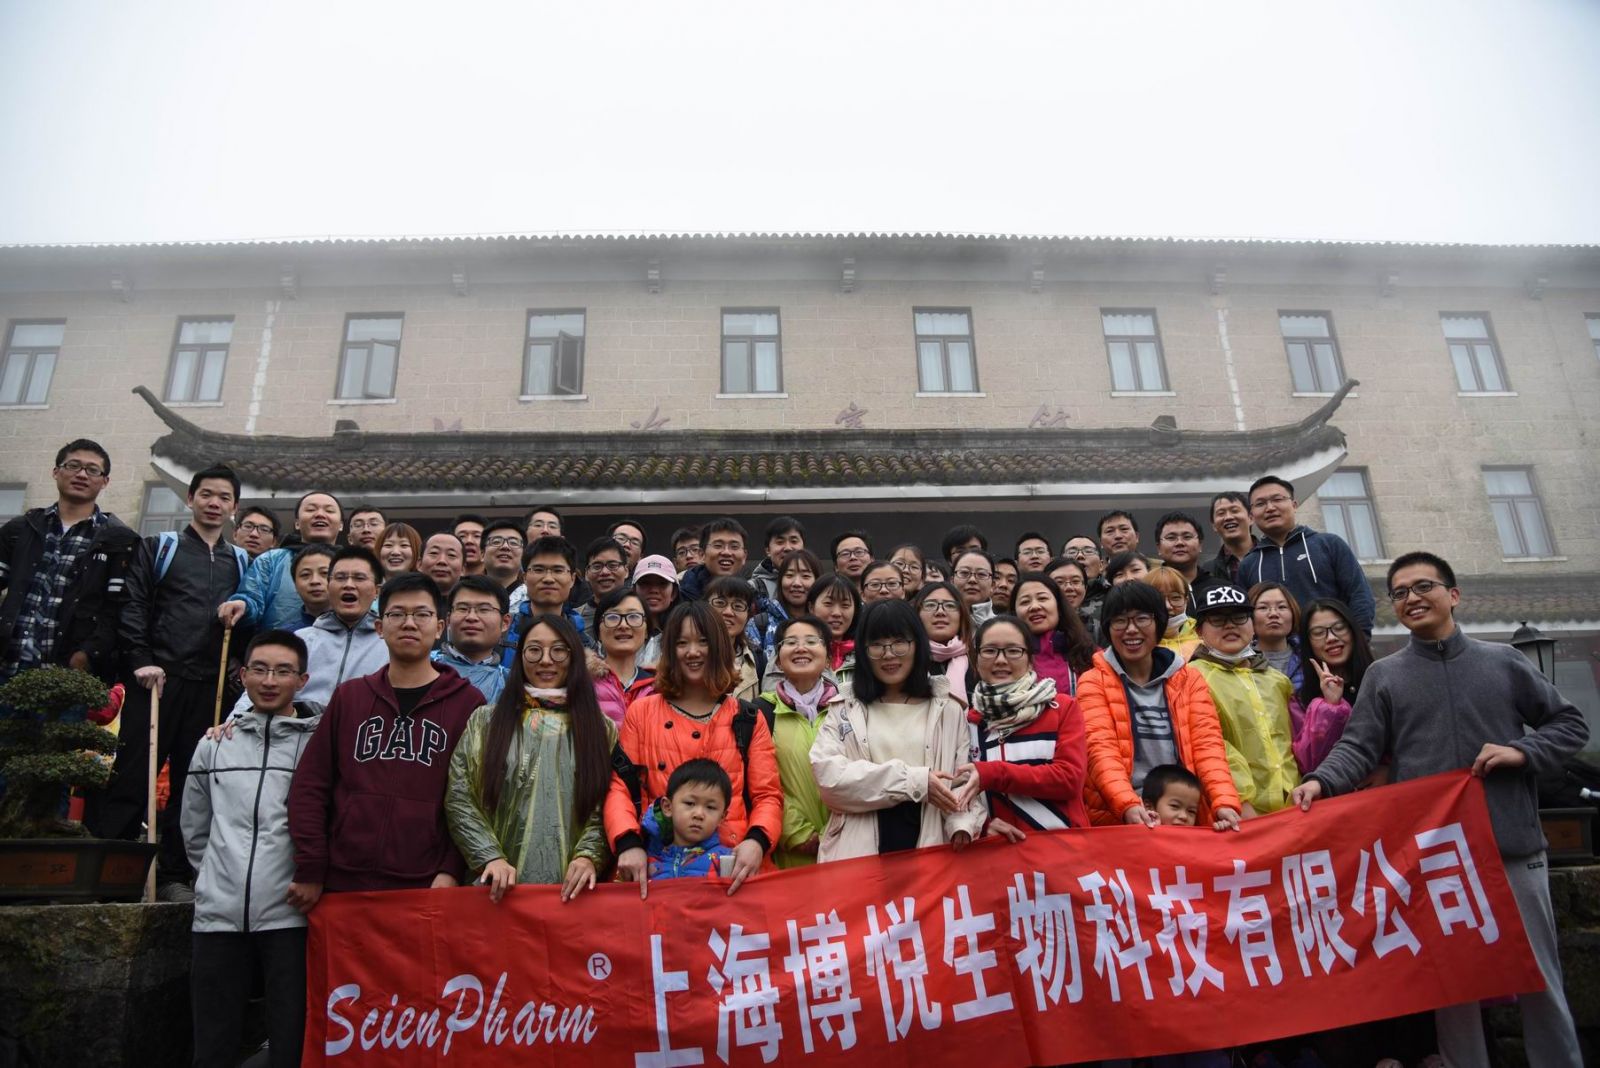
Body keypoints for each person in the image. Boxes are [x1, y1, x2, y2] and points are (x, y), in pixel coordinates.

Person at [1293, 552, 1588, 1068]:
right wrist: (1321, 780)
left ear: (1453, 595)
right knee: (1453, 986)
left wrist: (1522, 752)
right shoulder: (1385, 675)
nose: (1411, 598)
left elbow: (1569, 725)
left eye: (1423, 586)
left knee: (1539, 976)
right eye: (1400, 593)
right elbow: (1359, 747)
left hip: (1512, 845)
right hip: (1437, 857)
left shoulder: (1504, 661)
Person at [286, 573, 482, 907]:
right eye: (397, 614)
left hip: (427, 884)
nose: (409, 623)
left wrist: (451, 867)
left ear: (440, 627)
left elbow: (475, 796)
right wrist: (312, 865)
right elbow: (311, 785)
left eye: (421, 614)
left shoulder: (468, 703)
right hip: (342, 881)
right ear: (379, 627)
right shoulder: (350, 697)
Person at [98, 464, 248, 897]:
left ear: (234, 507)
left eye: (224, 497)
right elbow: (133, 604)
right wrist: (141, 661)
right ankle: (113, 872)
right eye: (207, 494)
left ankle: (174, 875)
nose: (214, 503)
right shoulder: (159, 547)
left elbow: (248, 621)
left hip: (210, 687)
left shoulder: (241, 561)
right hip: (157, 680)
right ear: (190, 498)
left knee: (192, 782)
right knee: (134, 775)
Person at [182, 629, 322, 1068]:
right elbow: (195, 826)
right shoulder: (214, 744)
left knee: (290, 1041)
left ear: (302, 680)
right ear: (242, 676)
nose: (269, 681)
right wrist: (213, 878)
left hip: (290, 913)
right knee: (213, 1041)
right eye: (259, 669)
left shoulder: (317, 745)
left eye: (283, 671)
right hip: (218, 914)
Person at [603, 601, 783, 898]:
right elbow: (619, 786)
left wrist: (757, 841)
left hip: (732, 868)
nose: (693, 652)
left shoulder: (747, 718)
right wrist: (627, 842)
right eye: (682, 643)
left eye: (703, 642)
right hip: (659, 868)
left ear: (719, 647)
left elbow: (768, 794)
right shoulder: (642, 712)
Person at [445, 613, 614, 904]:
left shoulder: (600, 728)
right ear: (520, 656)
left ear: (574, 656)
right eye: (534, 650)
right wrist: (489, 856)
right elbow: (460, 795)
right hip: (496, 891)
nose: (546, 660)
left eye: (558, 650)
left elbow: (609, 802)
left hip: (575, 894)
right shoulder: (486, 721)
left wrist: (589, 855)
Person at [810, 599, 985, 860]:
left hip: (933, 854)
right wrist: (914, 782)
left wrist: (963, 823)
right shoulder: (844, 708)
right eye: (877, 645)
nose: (889, 654)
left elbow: (961, 780)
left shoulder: (948, 709)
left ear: (918, 645)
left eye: (899, 642)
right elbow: (830, 781)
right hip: (858, 856)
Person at [1077, 581, 1242, 829]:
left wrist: (1224, 802)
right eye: (1119, 621)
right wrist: (1128, 804)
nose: (1131, 629)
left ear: (1160, 623)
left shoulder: (1189, 679)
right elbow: (1100, 749)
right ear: (1108, 628)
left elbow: (1207, 745)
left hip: (1182, 815)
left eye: (1142, 619)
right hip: (1119, 818)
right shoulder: (1092, 682)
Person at [0, 439, 139, 682]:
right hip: (7, 667)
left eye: (92, 470)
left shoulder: (120, 540)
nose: (82, 475)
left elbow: (120, 609)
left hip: (70, 677)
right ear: (56, 472)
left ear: (105, 481)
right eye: (73, 466)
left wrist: (87, 655)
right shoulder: (21, 528)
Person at [954, 614, 1089, 833]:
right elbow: (958, 789)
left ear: (1030, 659)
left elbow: (1069, 779)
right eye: (990, 650)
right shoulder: (969, 721)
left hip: (1063, 846)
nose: (1000, 660)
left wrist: (994, 774)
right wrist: (982, 825)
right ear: (975, 659)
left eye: (1013, 650)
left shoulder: (1061, 708)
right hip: (998, 850)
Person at [1186, 577, 1299, 817]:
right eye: (1218, 619)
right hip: (1239, 813)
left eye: (1239, 617)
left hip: (1295, 804)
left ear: (1252, 624)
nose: (1230, 626)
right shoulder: (1192, 678)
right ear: (1199, 631)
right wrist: (1239, 801)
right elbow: (1211, 746)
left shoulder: (1277, 680)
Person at [1239, 475, 1377, 635]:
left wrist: (1359, 639)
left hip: (1330, 643)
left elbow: (1359, 594)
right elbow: (1244, 617)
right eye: (1260, 504)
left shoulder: (1329, 545)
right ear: (1251, 515)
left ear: (1294, 505)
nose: (1270, 508)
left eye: (1277, 499)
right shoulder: (1249, 564)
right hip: (1276, 650)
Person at [760, 615, 844, 868]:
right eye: (790, 642)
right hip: (788, 857)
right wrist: (797, 834)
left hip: (846, 848)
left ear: (828, 657)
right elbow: (761, 783)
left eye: (811, 641)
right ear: (778, 659)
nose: (801, 648)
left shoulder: (848, 709)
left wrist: (837, 833)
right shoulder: (761, 712)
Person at [219, 491, 343, 632]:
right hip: (278, 643)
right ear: (297, 523)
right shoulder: (271, 560)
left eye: (329, 510)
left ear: (341, 525)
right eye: (310, 509)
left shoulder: (352, 563)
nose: (320, 514)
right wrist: (243, 605)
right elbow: (252, 597)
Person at [287, 546, 388, 706]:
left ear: (377, 591)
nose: (348, 585)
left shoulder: (391, 642)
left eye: (359, 578)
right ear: (329, 586)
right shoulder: (300, 639)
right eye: (340, 578)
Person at [1290, 597, 1373, 775]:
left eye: (1339, 627)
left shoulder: (1379, 680)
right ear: (1308, 642)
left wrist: (1387, 768)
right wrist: (1329, 707)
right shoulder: (1299, 701)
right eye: (1318, 632)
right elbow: (1309, 764)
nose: (1331, 638)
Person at [633, 758, 733, 882]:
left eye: (710, 807)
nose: (699, 814)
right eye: (690, 803)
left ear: (722, 817)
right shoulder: (644, 861)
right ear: (667, 807)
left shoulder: (728, 862)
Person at [502, 535, 587, 668]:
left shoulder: (586, 642)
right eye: (538, 570)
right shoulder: (502, 632)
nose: (548, 579)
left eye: (558, 570)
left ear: (572, 579)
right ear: (524, 577)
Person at [1010, 574, 1095, 696]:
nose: (1034, 607)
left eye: (1042, 598)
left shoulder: (1091, 655)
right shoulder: (1004, 658)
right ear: (1014, 613)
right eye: (1025, 602)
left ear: (1059, 606)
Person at [432, 575, 510, 706]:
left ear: (505, 622)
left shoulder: (511, 683)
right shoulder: (423, 666)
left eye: (484, 610)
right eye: (462, 609)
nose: (471, 617)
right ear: (448, 619)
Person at [591, 587, 657, 726]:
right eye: (612, 617)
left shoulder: (660, 686)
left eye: (634, 617)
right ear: (599, 632)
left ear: (646, 631)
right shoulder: (582, 683)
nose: (623, 625)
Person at [750, 548, 819, 662]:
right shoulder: (758, 624)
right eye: (790, 575)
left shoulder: (826, 622)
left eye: (805, 576)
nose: (797, 583)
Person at [705, 575, 764, 701]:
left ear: (748, 614)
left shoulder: (758, 658)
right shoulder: (688, 654)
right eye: (720, 603)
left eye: (738, 606)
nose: (728, 612)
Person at [915, 580, 971, 705]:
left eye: (950, 606)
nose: (940, 612)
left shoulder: (979, 659)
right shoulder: (906, 661)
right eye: (930, 605)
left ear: (962, 614)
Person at [806, 574, 860, 692]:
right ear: (811, 607)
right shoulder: (793, 648)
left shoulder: (865, 655)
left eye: (845, 605)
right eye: (828, 604)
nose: (837, 613)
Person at [1247, 581, 1303, 690]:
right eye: (1263, 608)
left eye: (1282, 607)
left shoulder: (1309, 656)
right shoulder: (1239, 662)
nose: (1273, 614)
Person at [679, 518, 748, 601]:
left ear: (744, 557)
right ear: (702, 554)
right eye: (718, 545)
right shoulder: (679, 594)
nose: (727, 552)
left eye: (734, 546)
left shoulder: (754, 596)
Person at [631, 555, 680, 668]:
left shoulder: (684, 631)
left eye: (662, 583)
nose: (654, 590)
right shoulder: (621, 629)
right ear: (634, 590)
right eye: (645, 583)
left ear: (673, 593)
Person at [1144, 566, 1200, 660]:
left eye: (1175, 598)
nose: (1167, 606)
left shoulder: (1204, 636)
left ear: (1186, 601)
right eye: (1158, 598)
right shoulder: (1135, 643)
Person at [576, 536, 629, 632]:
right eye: (597, 566)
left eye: (612, 565)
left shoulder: (641, 614)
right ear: (586, 573)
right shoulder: (572, 619)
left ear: (626, 571)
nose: (605, 572)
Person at [751, 516, 805, 604]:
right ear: (768, 550)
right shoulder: (753, 588)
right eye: (780, 542)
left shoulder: (816, 586)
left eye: (794, 541)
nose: (788, 548)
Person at [1204, 491, 1253, 582]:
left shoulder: (1272, 558)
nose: (1228, 517)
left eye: (1234, 511)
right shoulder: (1207, 571)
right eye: (1221, 513)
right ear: (1214, 526)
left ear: (1251, 518)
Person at [1045, 554, 1096, 635]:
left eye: (1075, 581)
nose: (1069, 588)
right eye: (1059, 582)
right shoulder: (1037, 626)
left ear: (1085, 588)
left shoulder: (1097, 628)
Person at [288, 544, 336, 628]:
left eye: (324, 573)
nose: (315, 581)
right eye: (305, 574)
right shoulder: (288, 634)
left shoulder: (357, 631)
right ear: (295, 583)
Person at [1153, 511, 1206, 583]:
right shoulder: (1149, 587)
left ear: (1200, 544)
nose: (1179, 543)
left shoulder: (1218, 587)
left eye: (1187, 537)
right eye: (1171, 537)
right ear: (1159, 547)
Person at [480, 519, 527, 599]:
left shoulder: (533, 599)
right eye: (496, 542)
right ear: (482, 554)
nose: (505, 546)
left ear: (524, 555)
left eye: (513, 543)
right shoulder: (466, 595)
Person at [952, 548, 996, 625]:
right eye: (964, 573)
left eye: (981, 574)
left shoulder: (1003, 627)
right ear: (952, 581)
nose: (972, 580)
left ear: (992, 585)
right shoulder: (940, 623)